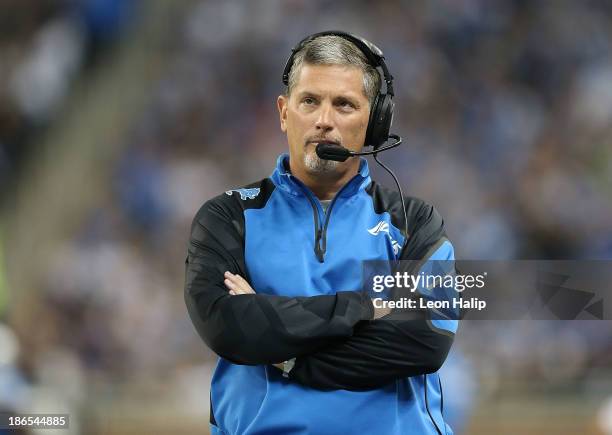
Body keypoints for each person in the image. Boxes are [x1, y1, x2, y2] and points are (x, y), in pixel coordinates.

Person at [184, 31, 458, 435]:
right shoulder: (228, 217)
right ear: (283, 112)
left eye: (344, 105)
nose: (324, 120)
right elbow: (227, 327)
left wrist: (285, 355)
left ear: (374, 123)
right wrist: (363, 306)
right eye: (309, 101)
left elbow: (424, 340)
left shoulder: (415, 221)